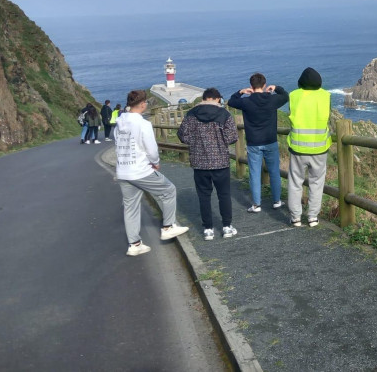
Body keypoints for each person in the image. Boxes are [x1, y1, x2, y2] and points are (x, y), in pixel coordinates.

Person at [113, 89, 188, 256]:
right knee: (169, 190)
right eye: (145, 102)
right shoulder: (142, 124)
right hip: (140, 169)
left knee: (130, 207)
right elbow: (152, 149)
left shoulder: (119, 123)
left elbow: (117, 145)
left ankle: (135, 244)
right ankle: (168, 227)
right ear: (142, 104)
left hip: (123, 170)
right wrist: (155, 163)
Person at [177, 88, 239, 240]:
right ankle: (226, 227)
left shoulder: (191, 114)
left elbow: (182, 135)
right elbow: (232, 137)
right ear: (217, 99)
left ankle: (208, 229)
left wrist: (196, 142)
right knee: (224, 195)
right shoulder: (224, 114)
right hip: (220, 161)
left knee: (203, 196)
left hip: (199, 162)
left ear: (204, 98)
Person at [228, 73, 289, 213]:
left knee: (254, 174)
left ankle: (256, 204)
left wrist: (240, 92)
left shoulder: (245, 102)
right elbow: (286, 96)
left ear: (251, 86)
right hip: (270, 141)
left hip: (253, 143)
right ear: (265, 85)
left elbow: (231, 101)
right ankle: (277, 201)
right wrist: (277, 88)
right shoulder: (272, 99)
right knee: (274, 172)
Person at [286, 67, 330, 227]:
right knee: (317, 183)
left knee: (295, 182)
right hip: (319, 148)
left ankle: (295, 217)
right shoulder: (325, 96)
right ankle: (312, 217)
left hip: (298, 148)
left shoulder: (294, 95)